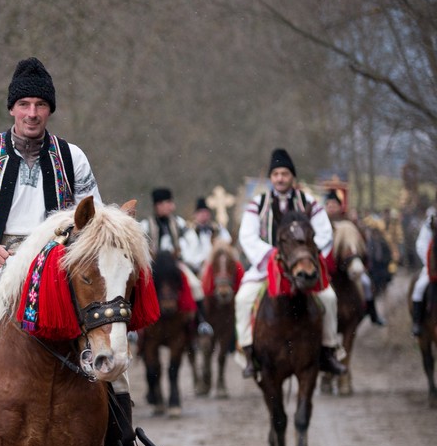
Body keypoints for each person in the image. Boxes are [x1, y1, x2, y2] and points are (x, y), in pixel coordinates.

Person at [0, 57, 158, 446]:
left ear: (50, 109)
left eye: (40, 105)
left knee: (109, 352)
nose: (32, 113)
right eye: (24, 104)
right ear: (12, 108)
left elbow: (96, 224)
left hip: (54, 286)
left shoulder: (73, 158)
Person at [234, 148, 347, 379]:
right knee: (243, 298)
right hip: (266, 267)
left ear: (292, 176)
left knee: (329, 298)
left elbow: (324, 233)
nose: (280, 178)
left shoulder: (308, 202)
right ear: (271, 177)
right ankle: (249, 353)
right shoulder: (258, 203)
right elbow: (247, 235)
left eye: (284, 173)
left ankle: (328, 350)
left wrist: (304, 256)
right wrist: (272, 256)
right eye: (275, 174)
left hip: (301, 266)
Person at [140, 188, 214, 335]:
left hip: (175, 265)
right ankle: (134, 329)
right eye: (168, 203)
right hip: (154, 267)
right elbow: (139, 244)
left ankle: (201, 322)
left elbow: (192, 240)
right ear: (158, 205)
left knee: (195, 285)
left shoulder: (178, 223)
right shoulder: (146, 225)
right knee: (137, 288)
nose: (171, 207)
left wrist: (186, 258)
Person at [323, 190, 385, 325]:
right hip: (326, 266)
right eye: (329, 205)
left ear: (340, 207)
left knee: (366, 283)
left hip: (347, 264)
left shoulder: (348, 223)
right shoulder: (321, 223)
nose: (331, 207)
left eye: (334, 204)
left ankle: (372, 312)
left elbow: (359, 243)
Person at [410, 205, 435, 336]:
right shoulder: (430, 222)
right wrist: (431, 263)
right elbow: (421, 244)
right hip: (433, 266)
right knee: (419, 287)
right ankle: (417, 322)